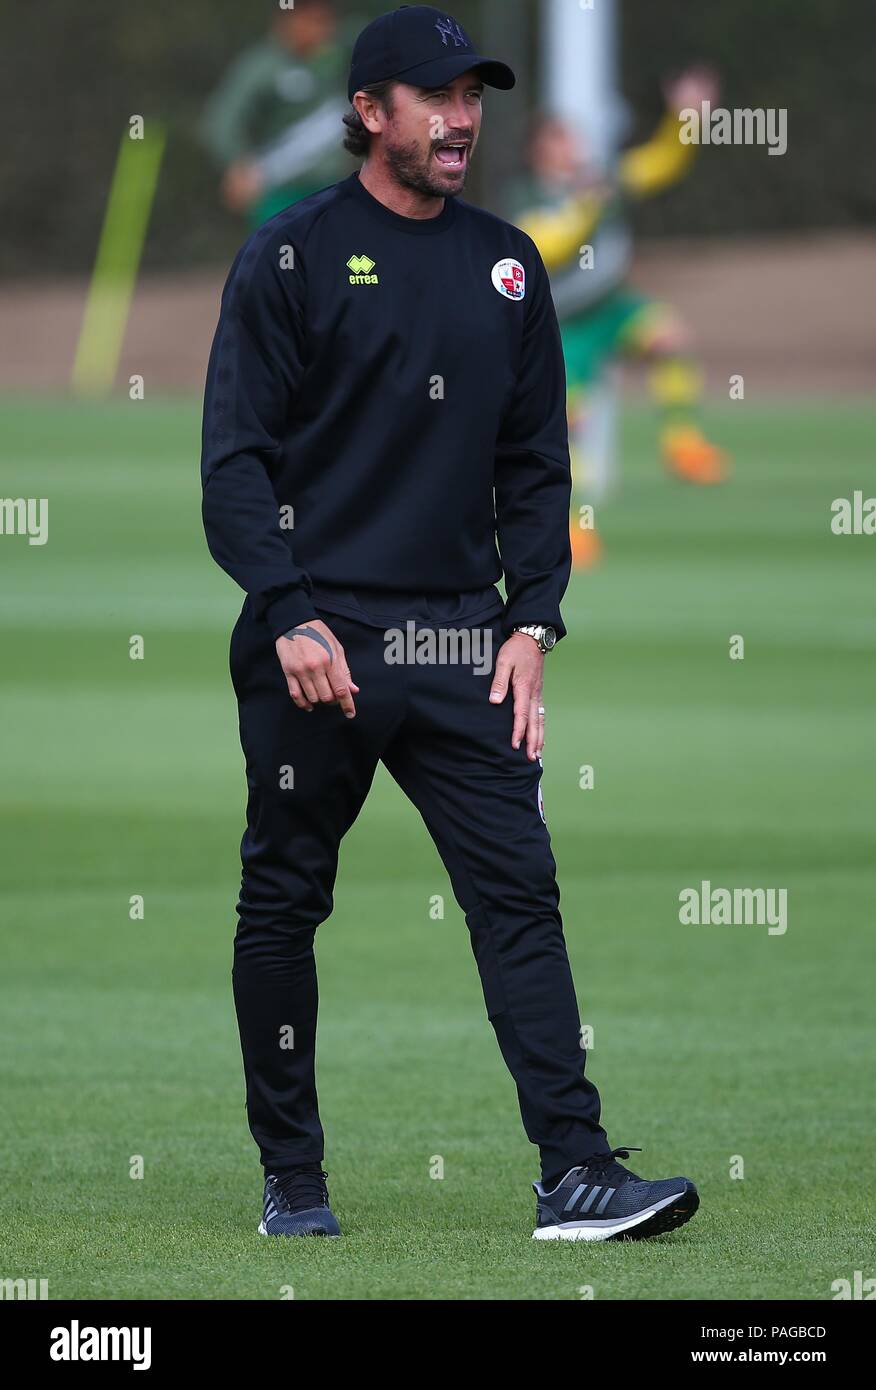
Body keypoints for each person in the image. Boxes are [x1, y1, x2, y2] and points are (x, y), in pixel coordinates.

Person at [201, 4, 699, 1242]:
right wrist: (287, 612)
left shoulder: (512, 264)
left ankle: (575, 1172)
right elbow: (233, 465)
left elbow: (535, 464)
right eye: (436, 97)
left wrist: (533, 622)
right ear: (370, 113)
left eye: (474, 97)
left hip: (461, 644)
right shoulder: (290, 253)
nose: (462, 117)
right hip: (315, 644)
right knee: (283, 905)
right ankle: (294, 1180)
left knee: (520, 894)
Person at [510, 70, 729, 567]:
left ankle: (683, 444)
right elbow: (549, 242)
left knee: (670, 337)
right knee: (568, 426)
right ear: (538, 151)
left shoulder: (600, 179)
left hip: (611, 307)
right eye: (560, 139)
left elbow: (659, 165)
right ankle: (571, 526)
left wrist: (685, 120)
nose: (572, 148)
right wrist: (588, 204)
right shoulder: (527, 198)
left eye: (573, 138)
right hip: (564, 325)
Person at [200, 0, 350, 226]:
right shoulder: (260, 66)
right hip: (278, 190)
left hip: (331, 188)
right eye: (314, 21)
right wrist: (237, 165)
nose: (325, 29)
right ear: (289, 21)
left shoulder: (339, 60)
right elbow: (222, 121)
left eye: (327, 21)